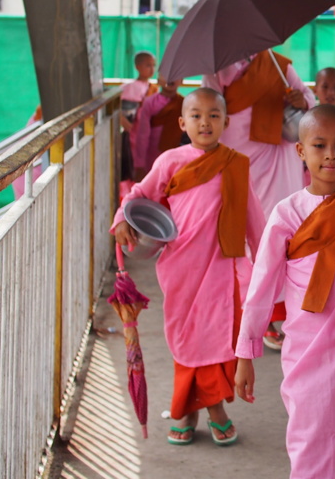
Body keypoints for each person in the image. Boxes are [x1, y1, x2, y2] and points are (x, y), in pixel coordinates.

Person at [112, 87, 267, 447]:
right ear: (183, 122)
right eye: (196, 115)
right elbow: (139, 194)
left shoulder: (236, 163)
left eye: (214, 115)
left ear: (226, 122)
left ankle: (199, 411)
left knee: (214, 340)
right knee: (185, 340)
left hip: (222, 268)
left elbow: (255, 221)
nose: (205, 122)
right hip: (179, 267)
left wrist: (268, 267)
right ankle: (198, 411)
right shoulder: (170, 160)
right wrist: (122, 217)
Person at [235, 105, 335, 477]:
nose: (331, 154)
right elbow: (261, 287)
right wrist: (246, 353)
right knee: (311, 439)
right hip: (305, 346)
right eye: (319, 145)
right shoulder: (287, 213)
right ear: (301, 151)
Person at [203, 50, 314, 218]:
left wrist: (302, 100)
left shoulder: (275, 63)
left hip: (277, 149)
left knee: (280, 211)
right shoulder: (216, 69)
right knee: (240, 211)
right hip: (235, 150)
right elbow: (207, 106)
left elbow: (308, 96)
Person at [119, 51, 158, 193]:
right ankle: (131, 192)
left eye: (153, 65)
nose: (152, 69)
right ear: (137, 67)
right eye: (148, 65)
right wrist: (128, 126)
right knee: (133, 163)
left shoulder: (152, 88)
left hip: (147, 133)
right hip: (134, 134)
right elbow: (120, 112)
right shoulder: (129, 87)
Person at [132, 77, 184, 180]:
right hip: (152, 154)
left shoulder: (185, 103)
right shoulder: (150, 102)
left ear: (182, 80)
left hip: (177, 154)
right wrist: (140, 163)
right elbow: (143, 134)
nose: (170, 77)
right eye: (166, 74)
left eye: (175, 75)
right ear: (158, 80)